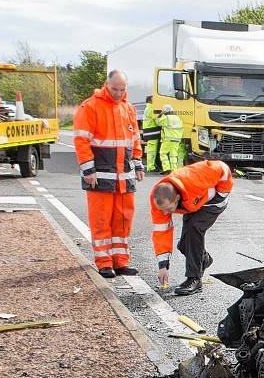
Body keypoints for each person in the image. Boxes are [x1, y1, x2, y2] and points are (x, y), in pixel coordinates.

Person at [73, 71, 144, 278]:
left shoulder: (128, 108)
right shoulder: (90, 107)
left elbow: (135, 140)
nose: (118, 94)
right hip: (100, 176)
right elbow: (81, 140)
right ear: (106, 84)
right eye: (115, 89)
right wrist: (88, 169)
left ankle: (120, 262)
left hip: (124, 177)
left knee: (123, 220)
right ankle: (104, 263)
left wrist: (138, 165)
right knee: (101, 220)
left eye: (122, 90)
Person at [150, 159, 233, 295]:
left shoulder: (196, 180)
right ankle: (203, 259)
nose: (165, 213)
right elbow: (161, 231)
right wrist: (163, 266)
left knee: (194, 229)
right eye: (163, 210)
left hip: (215, 199)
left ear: (176, 198)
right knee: (184, 245)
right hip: (192, 203)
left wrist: (221, 193)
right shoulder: (159, 201)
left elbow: (222, 168)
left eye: (169, 209)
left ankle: (194, 279)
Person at [155, 104, 186, 170]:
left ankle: (166, 168)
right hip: (177, 139)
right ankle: (174, 169)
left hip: (168, 139)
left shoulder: (165, 118)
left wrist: (161, 114)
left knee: (163, 153)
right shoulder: (178, 118)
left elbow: (157, 122)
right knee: (173, 155)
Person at [140, 95, 163, 173]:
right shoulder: (151, 109)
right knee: (152, 151)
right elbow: (157, 119)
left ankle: (152, 165)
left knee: (151, 150)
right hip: (152, 132)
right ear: (150, 100)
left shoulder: (148, 108)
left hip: (150, 132)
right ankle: (151, 166)